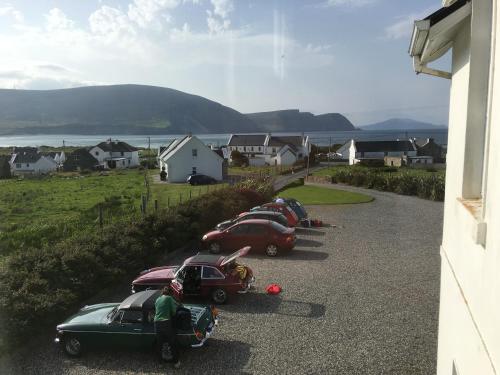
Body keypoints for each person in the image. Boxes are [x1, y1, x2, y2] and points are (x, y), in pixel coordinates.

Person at [154, 286, 181, 369]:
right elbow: (173, 312)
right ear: (170, 293)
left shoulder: (157, 299)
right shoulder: (169, 298)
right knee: (172, 342)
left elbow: (157, 310)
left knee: (159, 343)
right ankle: (176, 363)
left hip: (156, 323)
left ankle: (160, 363)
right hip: (166, 322)